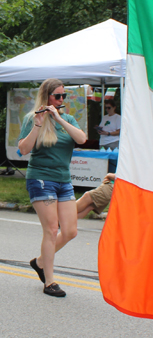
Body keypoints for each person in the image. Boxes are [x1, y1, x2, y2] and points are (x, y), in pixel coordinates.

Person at [19, 78, 87, 297]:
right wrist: (40, 123)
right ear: (46, 96)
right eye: (57, 96)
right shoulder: (33, 118)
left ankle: (40, 262)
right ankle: (49, 281)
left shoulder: (67, 118)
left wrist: (58, 118)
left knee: (70, 231)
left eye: (63, 96)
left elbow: (82, 139)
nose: (60, 99)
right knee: (51, 229)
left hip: (63, 180)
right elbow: (24, 149)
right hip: (41, 178)